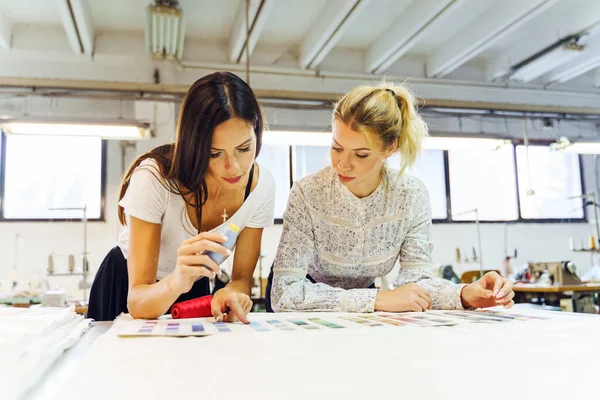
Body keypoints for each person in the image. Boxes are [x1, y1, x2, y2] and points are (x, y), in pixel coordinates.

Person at [267, 83, 514, 313]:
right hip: (305, 299)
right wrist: (377, 299)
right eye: (336, 147)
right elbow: (285, 294)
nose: (342, 164)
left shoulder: (410, 196)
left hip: (363, 303)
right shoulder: (307, 192)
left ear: (389, 148)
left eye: (361, 155)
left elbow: (416, 282)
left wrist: (464, 294)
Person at [88, 72, 275, 322]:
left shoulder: (261, 187)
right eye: (215, 153)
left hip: (193, 285)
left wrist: (230, 294)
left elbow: (241, 278)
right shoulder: (155, 178)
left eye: (244, 149)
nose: (234, 167)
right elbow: (137, 302)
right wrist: (176, 280)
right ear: (194, 146)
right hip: (130, 288)